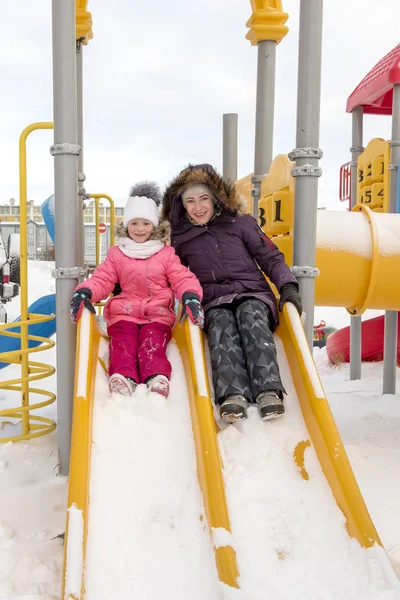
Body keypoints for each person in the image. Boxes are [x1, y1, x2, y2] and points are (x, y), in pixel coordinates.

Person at [161, 164, 302, 423]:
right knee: (221, 325)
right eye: (190, 201)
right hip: (213, 299)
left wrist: (287, 286)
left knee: (251, 317)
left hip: (253, 293)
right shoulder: (180, 237)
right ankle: (232, 394)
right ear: (181, 204)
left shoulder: (241, 223)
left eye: (204, 198)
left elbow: (269, 256)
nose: (198, 206)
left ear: (216, 198)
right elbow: (169, 272)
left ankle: (268, 389)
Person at [69, 182, 205, 398]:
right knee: (123, 342)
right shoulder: (117, 254)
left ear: (154, 226)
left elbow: (182, 277)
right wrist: (86, 291)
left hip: (157, 315)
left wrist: (190, 295)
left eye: (145, 223)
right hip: (125, 313)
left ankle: (156, 376)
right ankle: (124, 377)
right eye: (134, 223)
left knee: (152, 343)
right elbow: (103, 278)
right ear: (126, 225)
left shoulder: (165, 253)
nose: (140, 229)